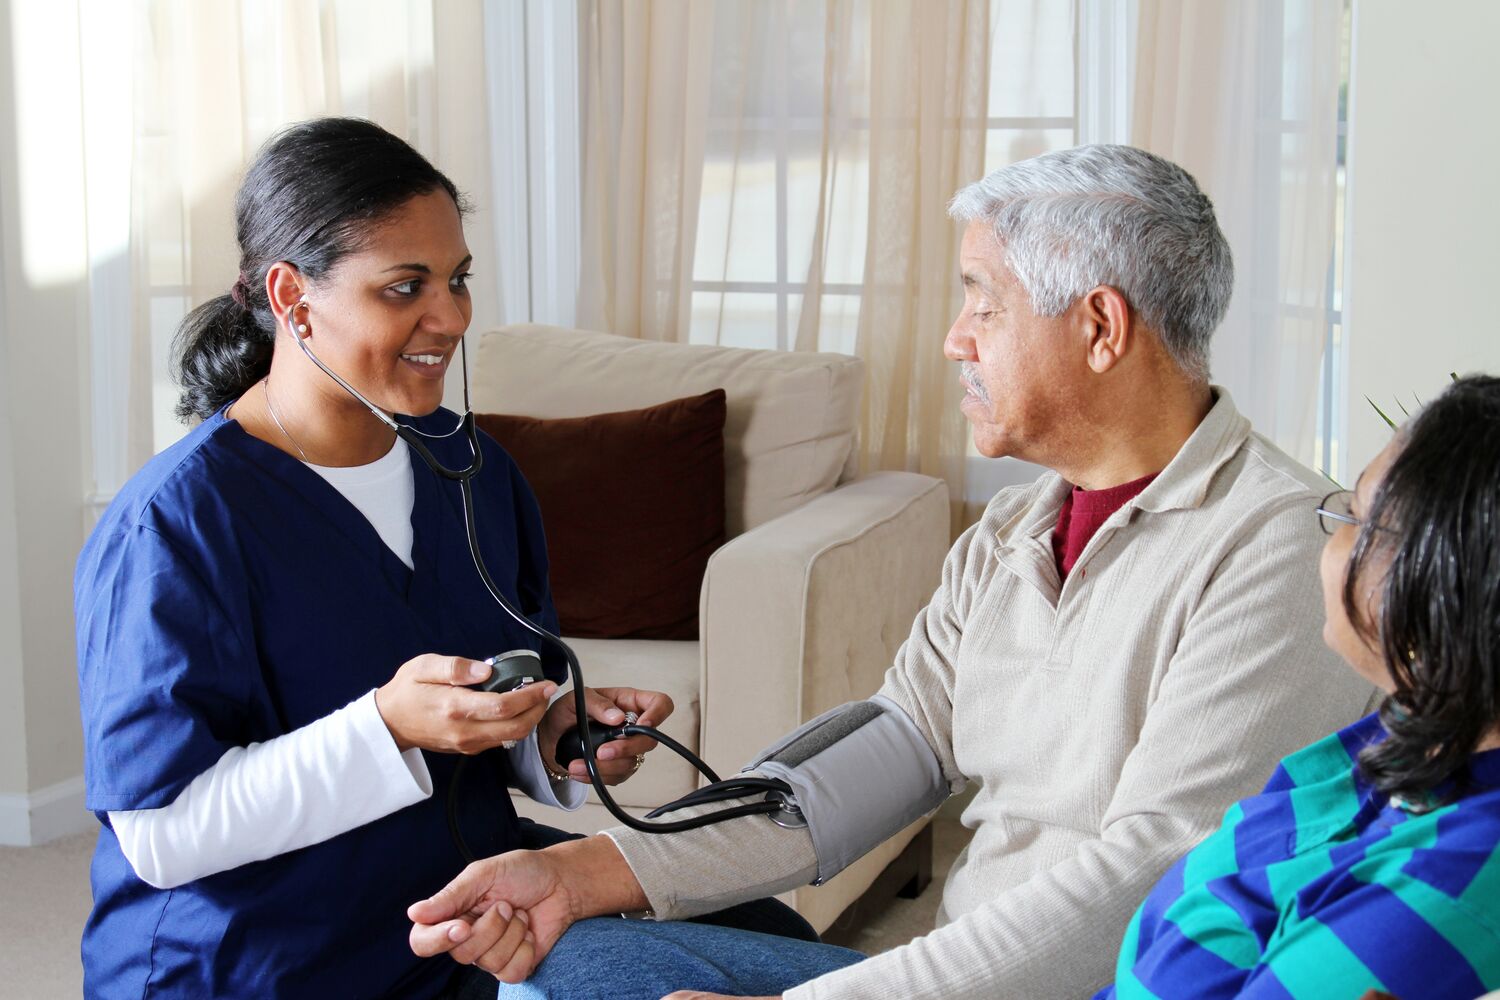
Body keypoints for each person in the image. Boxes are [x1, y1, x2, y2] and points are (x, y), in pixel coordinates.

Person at [406, 144, 1379, 998]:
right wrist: (592, 866)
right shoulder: (1013, 529)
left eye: (983, 303)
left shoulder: (1283, 547)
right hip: (971, 966)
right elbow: (883, 755)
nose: (956, 338)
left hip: (1111, 986)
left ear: (1100, 328)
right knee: (575, 919)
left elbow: (1153, 879)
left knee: (588, 971)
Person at [76, 117, 691, 999]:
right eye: (405, 287)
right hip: (258, 958)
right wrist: (387, 724)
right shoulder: (175, 526)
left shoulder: (473, 471)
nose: (451, 318)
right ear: (292, 296)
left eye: (458, 280)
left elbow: (496, 688)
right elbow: (162, 834)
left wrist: (553, 737)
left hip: (458, 913)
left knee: (762, 925)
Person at [1096, 375, 1500, 997]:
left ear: (1438, 592)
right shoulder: (1412, 735)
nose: (1332, 532)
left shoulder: (1456, 883)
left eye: (1357, 516)